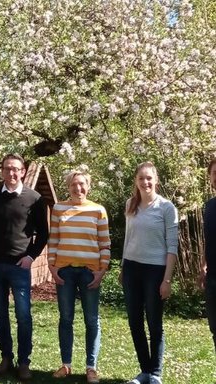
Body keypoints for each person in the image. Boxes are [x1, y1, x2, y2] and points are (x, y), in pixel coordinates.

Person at [0, 153, 49, 380]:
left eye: (16, 169)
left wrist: (31, 256)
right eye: (7, 168)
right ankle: (6, 358)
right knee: (0, 313)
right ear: (2, 171)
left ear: (22, 172)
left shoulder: (34, 198)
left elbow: (43, 234)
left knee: (23, 315)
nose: (11, 173)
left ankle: (24, 362)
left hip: (20, 266)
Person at [47, 170, 110, 384]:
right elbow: (53, 239)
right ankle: (66, 365)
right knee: (66, 319)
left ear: (88, 186)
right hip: (64, 271)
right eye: (74, 184)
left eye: (82, 184)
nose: (78, 188)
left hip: (90, 272)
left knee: (92, 320)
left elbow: (105, 244)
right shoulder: (58, 209)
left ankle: (91, 368)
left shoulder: (98, 210)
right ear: (68, 186)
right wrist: (52, 267)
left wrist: (102, 270)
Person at [121, 162, 178, 384]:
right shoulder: (130, 205)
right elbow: (128, 238)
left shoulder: (166, 207)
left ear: (156, 180)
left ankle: (155, 373)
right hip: (132, 270)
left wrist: (167, 279)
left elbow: (172, 246)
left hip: (155, 271)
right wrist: (124, 266)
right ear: (135, 181)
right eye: (141, 178)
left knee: (154, 323)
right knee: (135, 322)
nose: (145, 182)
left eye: (149, 178)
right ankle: (144, 371)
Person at [201, 158, 216, 353]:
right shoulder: (210, 206)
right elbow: (209, 239)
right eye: (215, 173)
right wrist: (203, 265)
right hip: (213, 278)